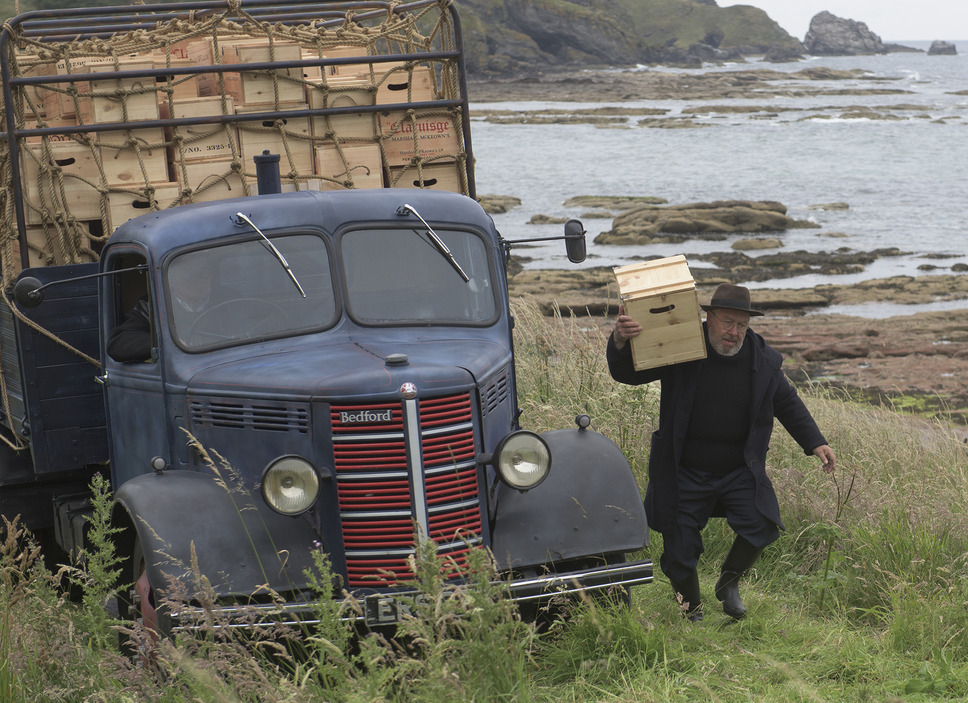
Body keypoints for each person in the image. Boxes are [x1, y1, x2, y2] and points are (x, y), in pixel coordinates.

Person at [607, 282, 836, 621]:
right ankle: (692, 612)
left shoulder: (761, 359)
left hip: (738, 469)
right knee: (679, 550)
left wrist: (815, 441)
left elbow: (786, 401)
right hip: (683, 468)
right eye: (727, 322)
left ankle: (728, 584)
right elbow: (628, 373)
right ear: (709, 318)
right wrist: (620, 340)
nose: (734, 332)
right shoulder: (682, 347)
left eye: (742, 325)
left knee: (762, 523)